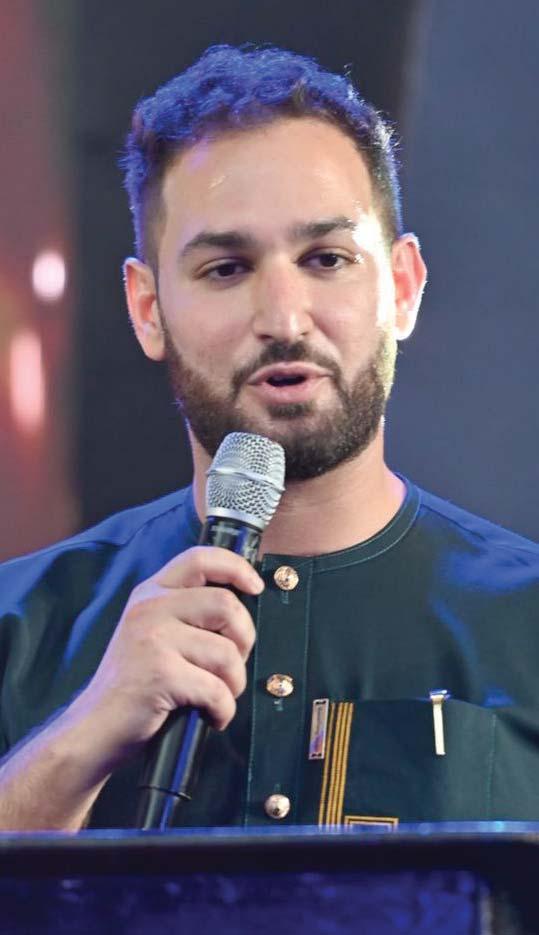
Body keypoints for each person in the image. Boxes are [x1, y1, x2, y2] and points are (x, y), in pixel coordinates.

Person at [1, 44, 539, 832]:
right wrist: (81, 737)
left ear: (401, 287)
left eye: (326, 259)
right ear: (148, 309)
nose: (284, 319)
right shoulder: (20, 625)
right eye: (226, 268)